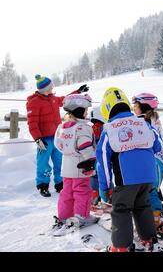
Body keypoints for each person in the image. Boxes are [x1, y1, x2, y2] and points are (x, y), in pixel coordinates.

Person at [96, 87, 163, 252]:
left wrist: (104, 186)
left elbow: (103, 159)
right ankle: (149, 238)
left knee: (121, 209)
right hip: (148, 176)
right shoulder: (143, 122)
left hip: (126, 179)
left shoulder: (109, 128)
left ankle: (120, 246)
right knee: (143, 205)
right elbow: (158, 145)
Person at [26, 74, 89, 197]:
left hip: (57, 137)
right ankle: (43, 185)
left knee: (59, 161)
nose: (52, 89)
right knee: (43, 163)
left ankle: (60, 184)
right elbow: (32, 123)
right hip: (43, 139)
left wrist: (78, 91)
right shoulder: (34, 102)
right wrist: (38, 139)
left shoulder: (52, 98)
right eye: (49, 87)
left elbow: (66, 99)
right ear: (43, 89)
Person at [54, 93, 98, 230]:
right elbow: (85, 145)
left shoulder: (62, 127)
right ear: (80, 110)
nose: (86, 113)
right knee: (82, 191)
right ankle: (82, 216)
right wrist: (90, 160)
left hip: (66, 166)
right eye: (85, 110)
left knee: (67, 192)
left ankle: (64, 215)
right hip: (81, 165)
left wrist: (67, 152)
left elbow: (57, 144)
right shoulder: (83, 127)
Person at [132, 93, 163, 227]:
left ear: (143, 107)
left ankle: (155, 216)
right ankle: (157, 209)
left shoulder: (143, 121)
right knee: (153, 189)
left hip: (151, 160)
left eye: (136, 106)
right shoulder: (155, 118)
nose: (134, 109)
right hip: (159, 159)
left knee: (149, 190)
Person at [89, 107, 108, 206]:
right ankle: (103, 196)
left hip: (92, 157)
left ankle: (95, 197)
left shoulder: (92, 127)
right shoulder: (102, 127)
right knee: (102, 177)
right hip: (101, 157)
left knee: (94, 177)